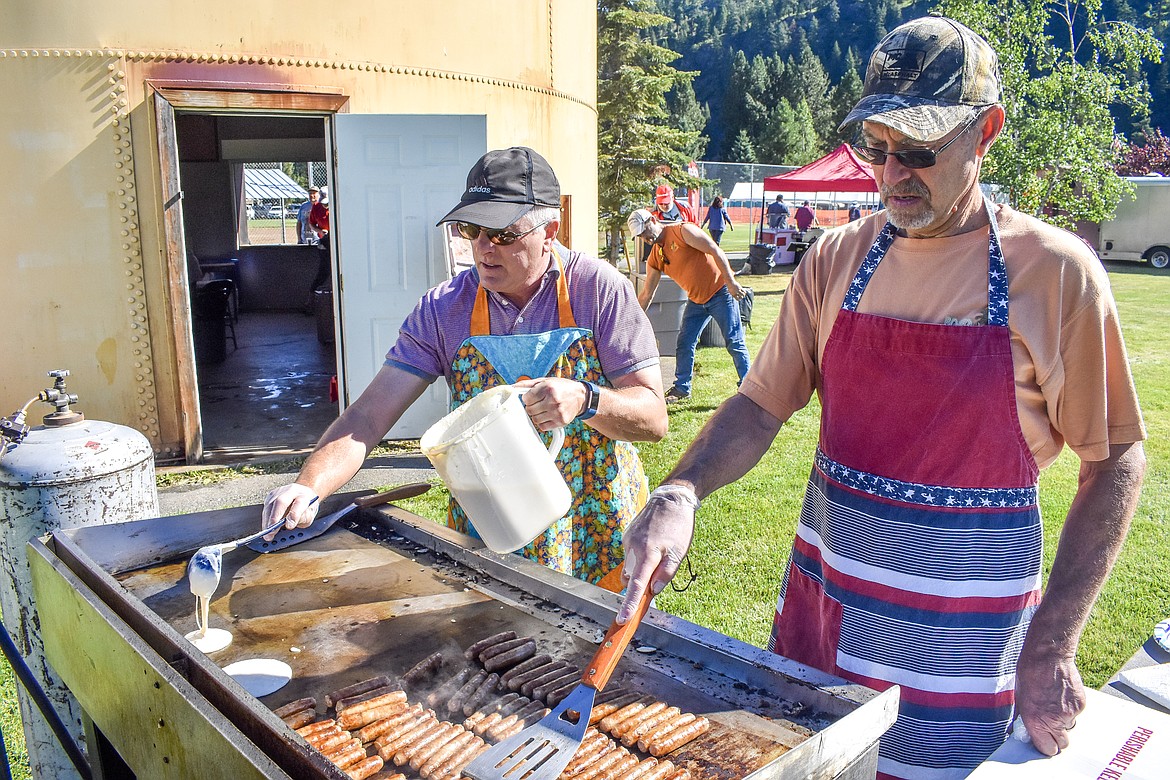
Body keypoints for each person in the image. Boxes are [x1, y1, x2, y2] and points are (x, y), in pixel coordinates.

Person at [617, 16, 1146, 780]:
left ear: (986, 131)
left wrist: (1055, 643)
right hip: (824, 620)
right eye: (877, 147)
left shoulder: (1052, 273)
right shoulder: (836, 258)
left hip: (960, 647)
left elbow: (1115, 461)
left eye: (920, 151)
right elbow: (762, 404)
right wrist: (682, 486)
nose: (893, 172)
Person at [263, 147, 667, 590]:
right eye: (470, 229)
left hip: (596, 531)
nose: (482, 248)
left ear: (549, 229)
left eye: (502, 234)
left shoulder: (599, 289)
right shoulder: (443, 309)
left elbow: (652, 418)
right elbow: (368, 416)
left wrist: (587, 398)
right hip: (492, 534)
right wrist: (308, 485)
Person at [627, 208, 750, 403]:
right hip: (696, 300)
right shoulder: (655, 257)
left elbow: (714, 249)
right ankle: (681, 389)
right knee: (684, 343)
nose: (645, 237)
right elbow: (647, 294)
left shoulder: (682, 231)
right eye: (640, 236)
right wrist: (632, 322)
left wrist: (731, 282)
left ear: (653, 219)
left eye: (645, 231)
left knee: (734, 341)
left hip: (720, 291)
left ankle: (748, 388)